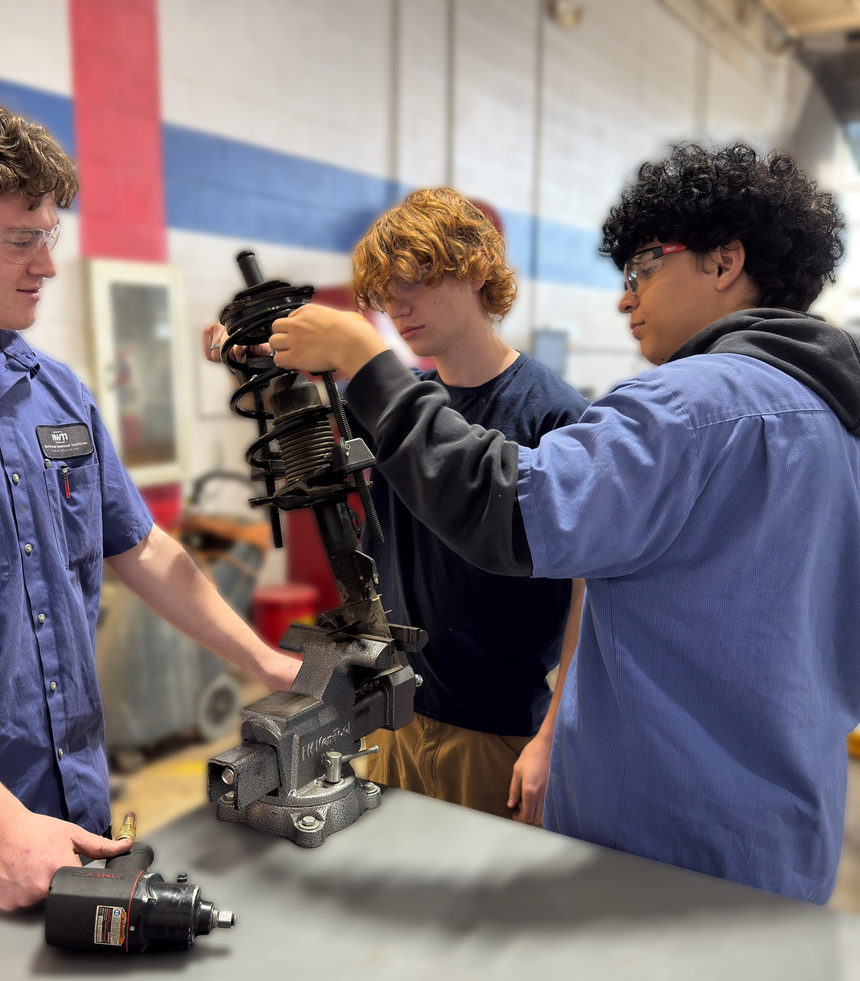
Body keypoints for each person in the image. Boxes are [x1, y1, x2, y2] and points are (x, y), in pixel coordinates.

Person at [267, 142, 860, 904]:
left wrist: (364, 358)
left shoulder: (686, 408)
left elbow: (507, 511)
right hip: (783, 834)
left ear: (724, 263)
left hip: (657, 838)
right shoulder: (834, 421)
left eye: (645, 266)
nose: (625, 297)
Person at [0, 86, 299, 974]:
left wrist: (263, 660)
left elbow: (144, 548)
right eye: (19, 238)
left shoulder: (55, 392)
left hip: (77, 814)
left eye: (52, 233)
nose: (47, 263)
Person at [206, 188, 587, 825]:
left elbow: (588, 593)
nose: (397, 306)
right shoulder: (397, 406)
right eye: (384, 292)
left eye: (414, 280)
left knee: (476, 914)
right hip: (392, 714)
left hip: (495, 733)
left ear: (475, 270)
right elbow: (310, 446)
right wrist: (259, 365)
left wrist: (554, 734)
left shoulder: (554, 415)